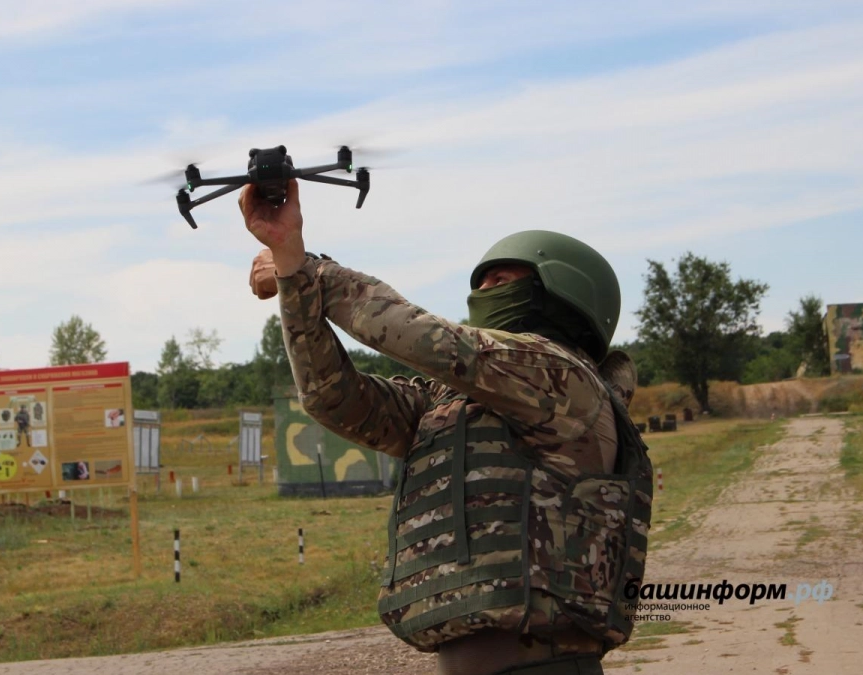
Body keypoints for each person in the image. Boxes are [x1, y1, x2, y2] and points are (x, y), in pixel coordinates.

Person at [240, 180, 653, 675]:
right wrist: (291, 266)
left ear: (564, 298)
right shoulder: (447, 404)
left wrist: (310, 272)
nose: (485, 292)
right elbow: (333, 397)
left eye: (504, 281)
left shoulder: (561, 378)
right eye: (481, 283)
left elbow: (429, 341)